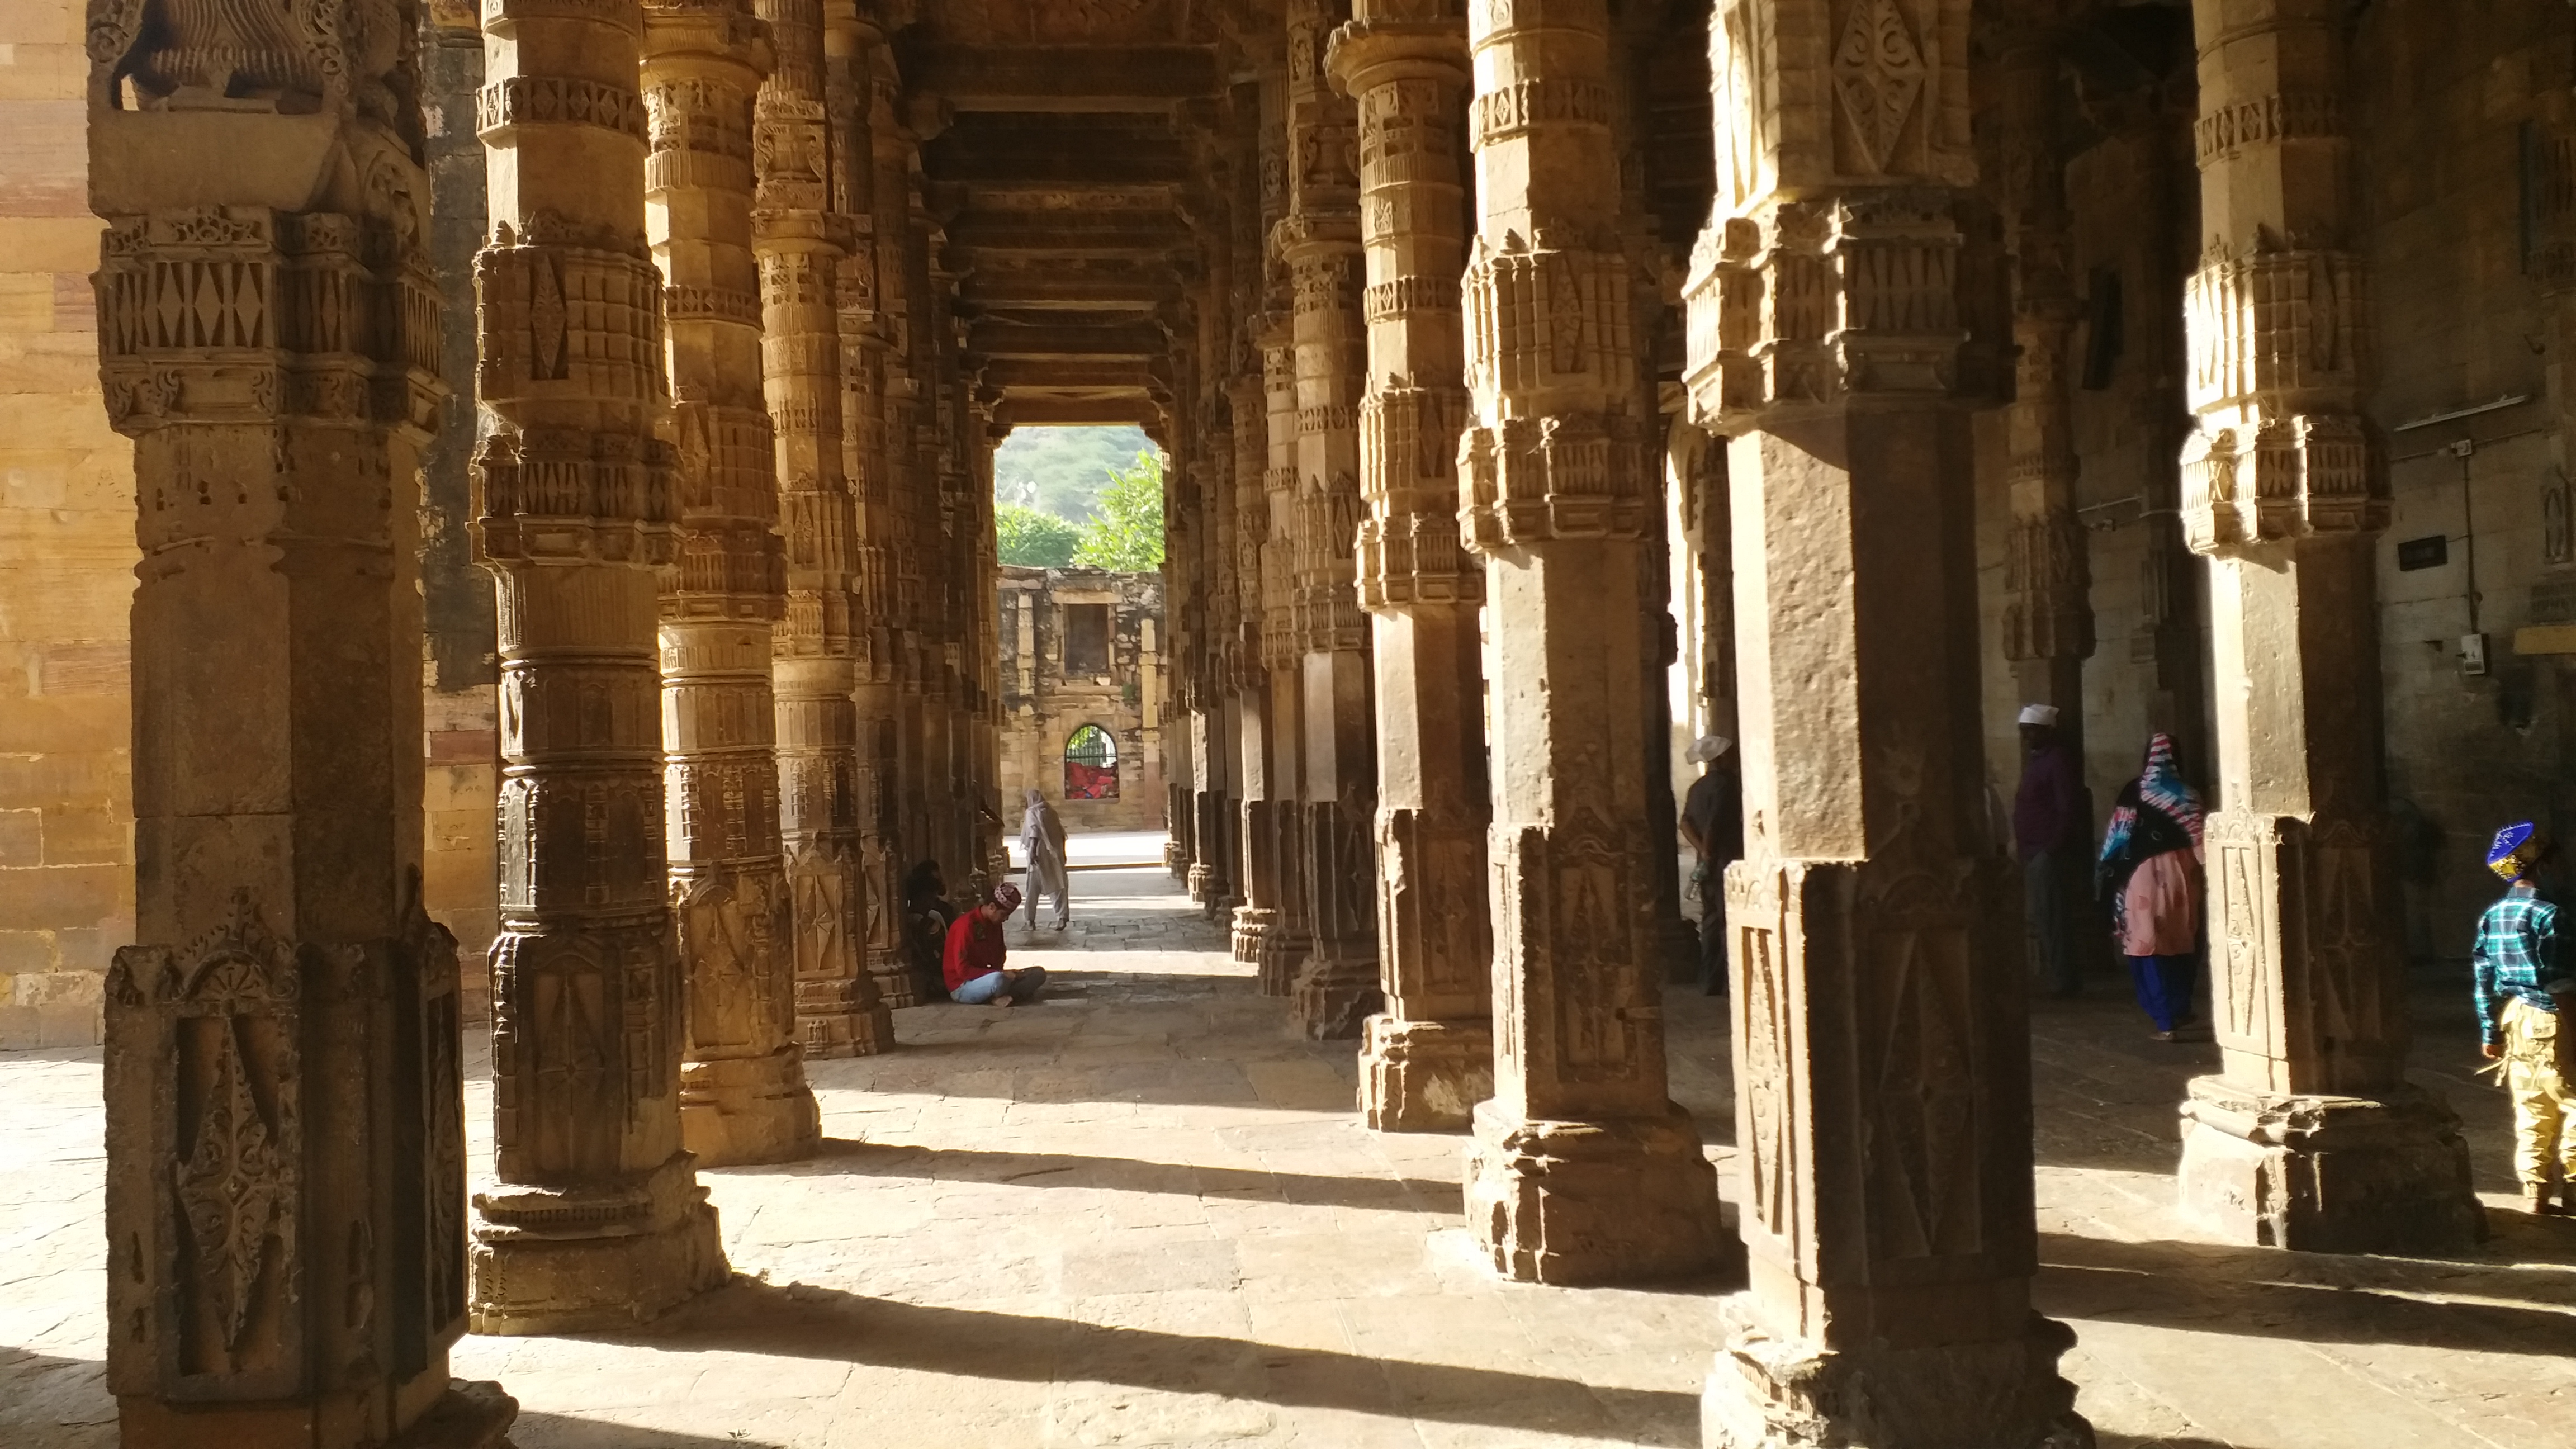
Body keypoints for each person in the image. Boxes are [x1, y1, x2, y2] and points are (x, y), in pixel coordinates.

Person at [2474, 823, 2574, 1216]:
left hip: (2515, 1016)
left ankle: (2535, 1193)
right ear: (2544, 866)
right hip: (2555, 1016)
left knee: (2532, 1106)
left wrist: (2491, 1030)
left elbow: (2484, 977)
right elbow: (2560, 981)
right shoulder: (2552, 916)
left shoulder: (2494, 915)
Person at [2096, 732, 2203, 1041]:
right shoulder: (2190, 795)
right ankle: (2179, 1008)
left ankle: (2165, 1017)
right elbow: (2200, 844)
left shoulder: (2135, 792)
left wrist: (2107, 872)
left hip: (2142, 879)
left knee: (2146, 944)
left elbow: (2119, 835)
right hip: (2185, 876)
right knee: (2182, 940)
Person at [2013, 703, 2086, 997]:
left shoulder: (2056, 761)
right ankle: (2058, 975)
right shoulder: (2038, 762)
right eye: (2024, 731)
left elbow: (2068, 807)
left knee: (2054, 917)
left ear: (2046, 732)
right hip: (2034, 850)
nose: (2027, 737)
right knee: (2043, 916)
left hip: (2047, 852)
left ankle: (2064, 979)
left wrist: (2051, 848)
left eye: (2032, 731)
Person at [1678, 734, 1742, 996]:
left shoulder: (1698, 787)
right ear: (1721, 759)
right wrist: (1709, 850)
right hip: (1725, 859)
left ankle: (1709, 980)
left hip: (1707, 862)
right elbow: (1715, 822)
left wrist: (1701, 851)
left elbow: (1685, 824)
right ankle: (1731, 982)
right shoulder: (1726, 785)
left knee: (1711, 921)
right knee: (1729, 919)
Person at [944, 882, 1048, 1007]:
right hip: (963, 985)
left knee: (1038, 974)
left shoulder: (995, 924)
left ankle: (1007, 997)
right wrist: (996, 974)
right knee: (998, 980)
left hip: (990, 976)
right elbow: (963, 971)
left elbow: (999, 957)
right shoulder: (966, 926)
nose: (1005, 919)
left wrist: (1011, 974)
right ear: (992, 907)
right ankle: (1006, 995)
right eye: (1004, 914)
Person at [1019, 787, 1072, 931]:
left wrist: (1033, 852)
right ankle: (1062, 917)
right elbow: (1061, 834)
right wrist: (1063, 853)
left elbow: (1034, 832)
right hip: (1055, 854)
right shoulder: (1051, 812)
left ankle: (1030, 921)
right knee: (1058, 885)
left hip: (1039, 855)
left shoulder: (1032, 812)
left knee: (1032, 888)